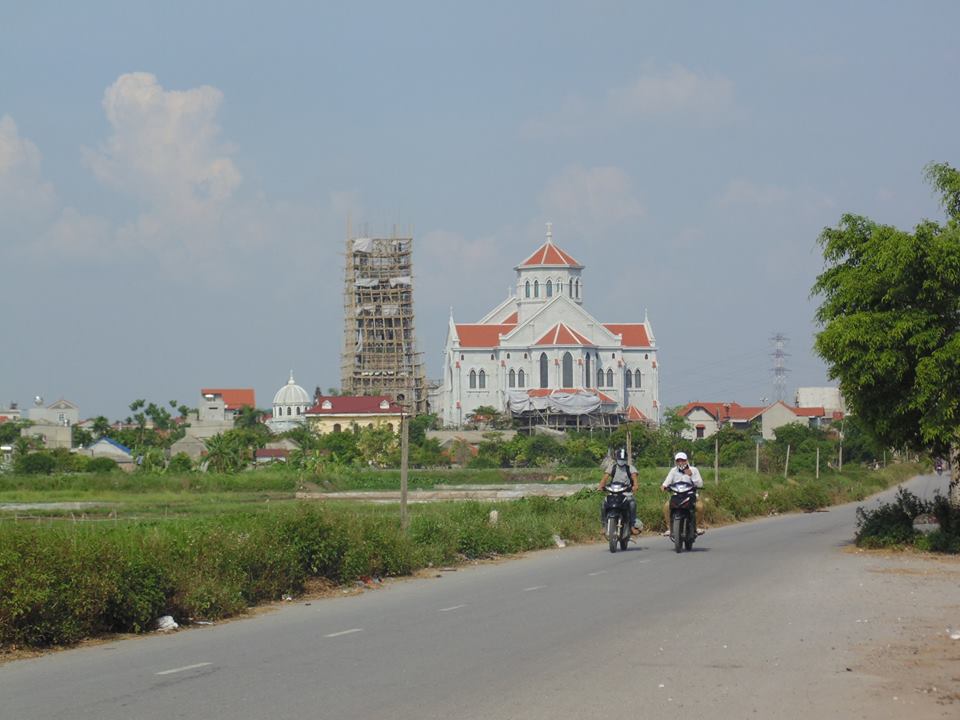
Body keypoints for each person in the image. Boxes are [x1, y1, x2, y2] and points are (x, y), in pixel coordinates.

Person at [661, 452, 705, 537]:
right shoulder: (673, 471)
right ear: (676, 462)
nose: (680, 462)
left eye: (682, 460)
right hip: (677, 495)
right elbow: (667, 481)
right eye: (678, 461)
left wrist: (691, 475)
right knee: (666, 507)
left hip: (690, 495)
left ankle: (697, 526)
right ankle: (670, 528)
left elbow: (700, 484)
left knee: (700, 507)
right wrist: (664, 486)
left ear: (686, 461)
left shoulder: (694, 470)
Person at [599, 448, 641, 534]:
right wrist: (601, 486)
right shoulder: (612, 467)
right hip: (613, 492)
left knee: (632, 503)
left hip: (626, 493)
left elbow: (634, 477)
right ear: (616, 459)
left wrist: (635, 486)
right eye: (619, 459)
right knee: (604, 504)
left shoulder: (630, 468)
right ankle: (604, 526)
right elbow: (605, 478)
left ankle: (632, 526)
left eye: (623, 459)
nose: (621, 461)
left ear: (626, 459)